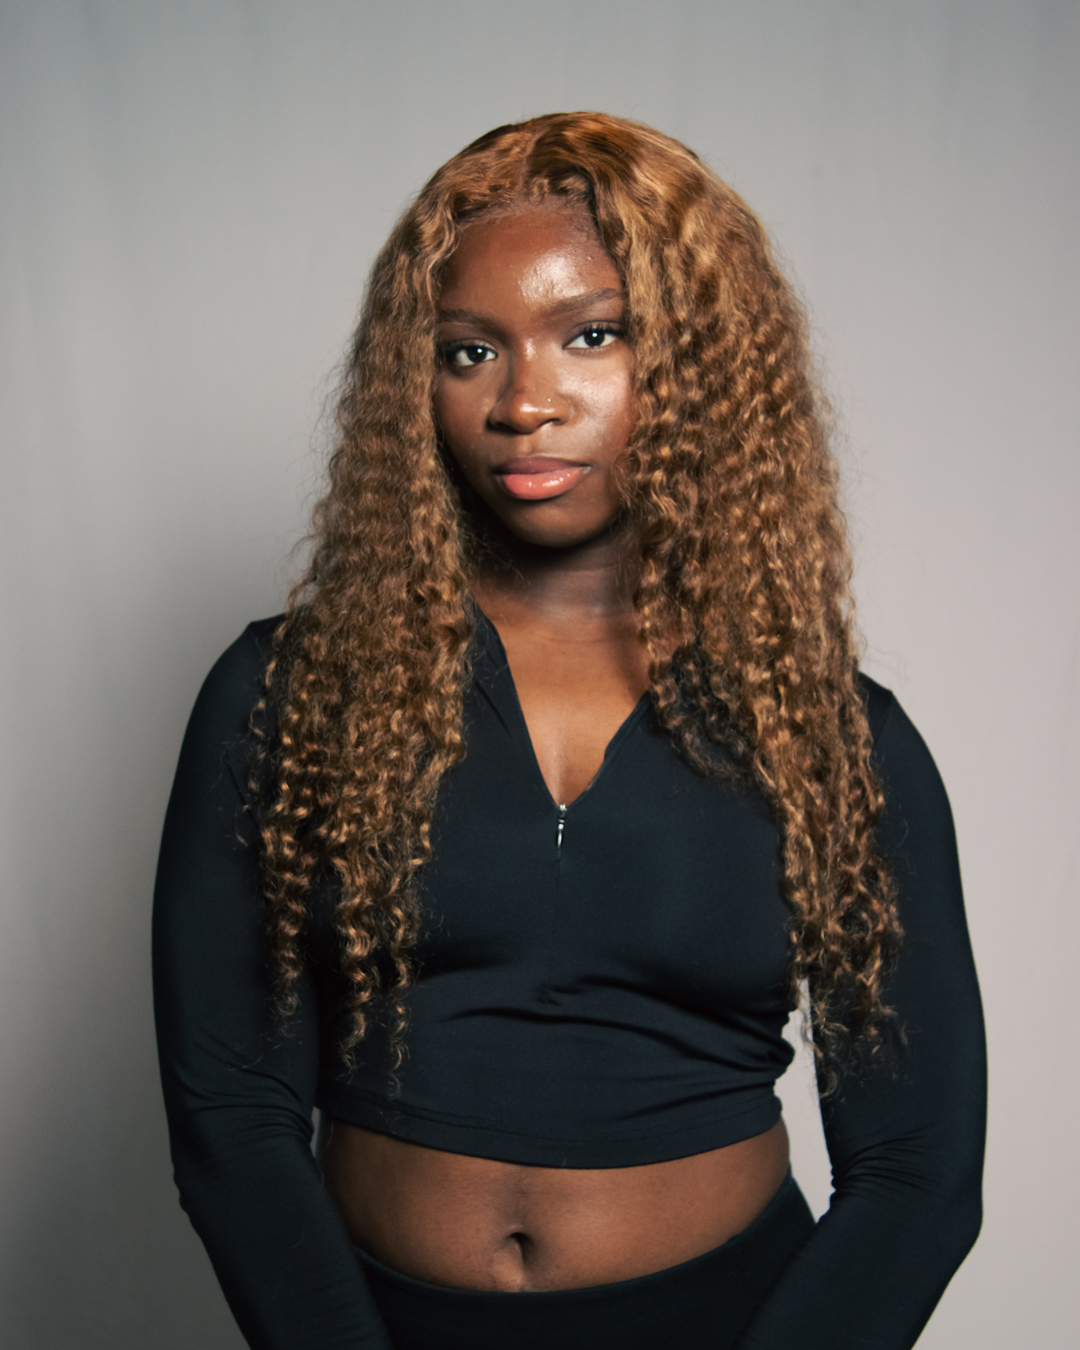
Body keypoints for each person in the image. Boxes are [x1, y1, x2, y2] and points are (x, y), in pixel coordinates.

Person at [153, 112, 986, 1350]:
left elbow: (917, 1175)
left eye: (591, 336)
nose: (526, 400)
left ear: (695, 364)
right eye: (469, 350)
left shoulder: (832, 738)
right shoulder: (289, 691)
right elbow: (230, 1114)